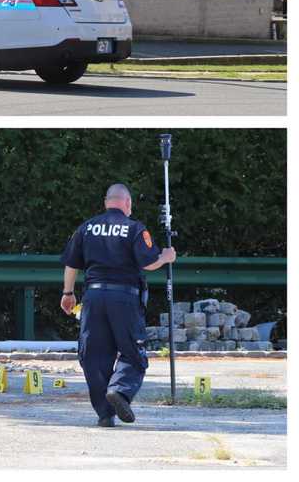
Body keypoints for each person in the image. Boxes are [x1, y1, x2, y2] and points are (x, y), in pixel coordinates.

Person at [60, 183, 176, 427]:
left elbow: (71, 264)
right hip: (124, 298)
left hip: (92, 298)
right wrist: (166, 257)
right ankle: (120, 391)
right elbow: (148, 263)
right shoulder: (134, 228)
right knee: (133, 352)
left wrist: (68, 293)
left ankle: (104, 413)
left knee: (93, 355)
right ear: (128, 203)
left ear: (106, 202)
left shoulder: (86, 227)